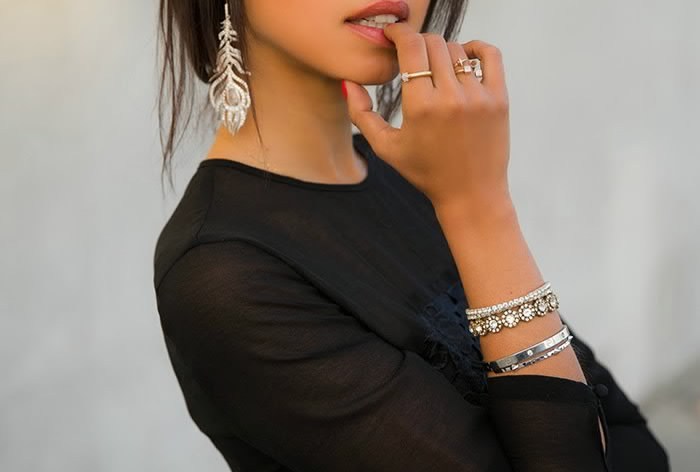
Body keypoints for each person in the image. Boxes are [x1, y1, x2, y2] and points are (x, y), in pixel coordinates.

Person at [152, 1, 669, 470]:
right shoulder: (223, 275)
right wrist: (481, 209)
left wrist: (473, 200)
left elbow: (638, 444)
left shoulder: (423, 174)